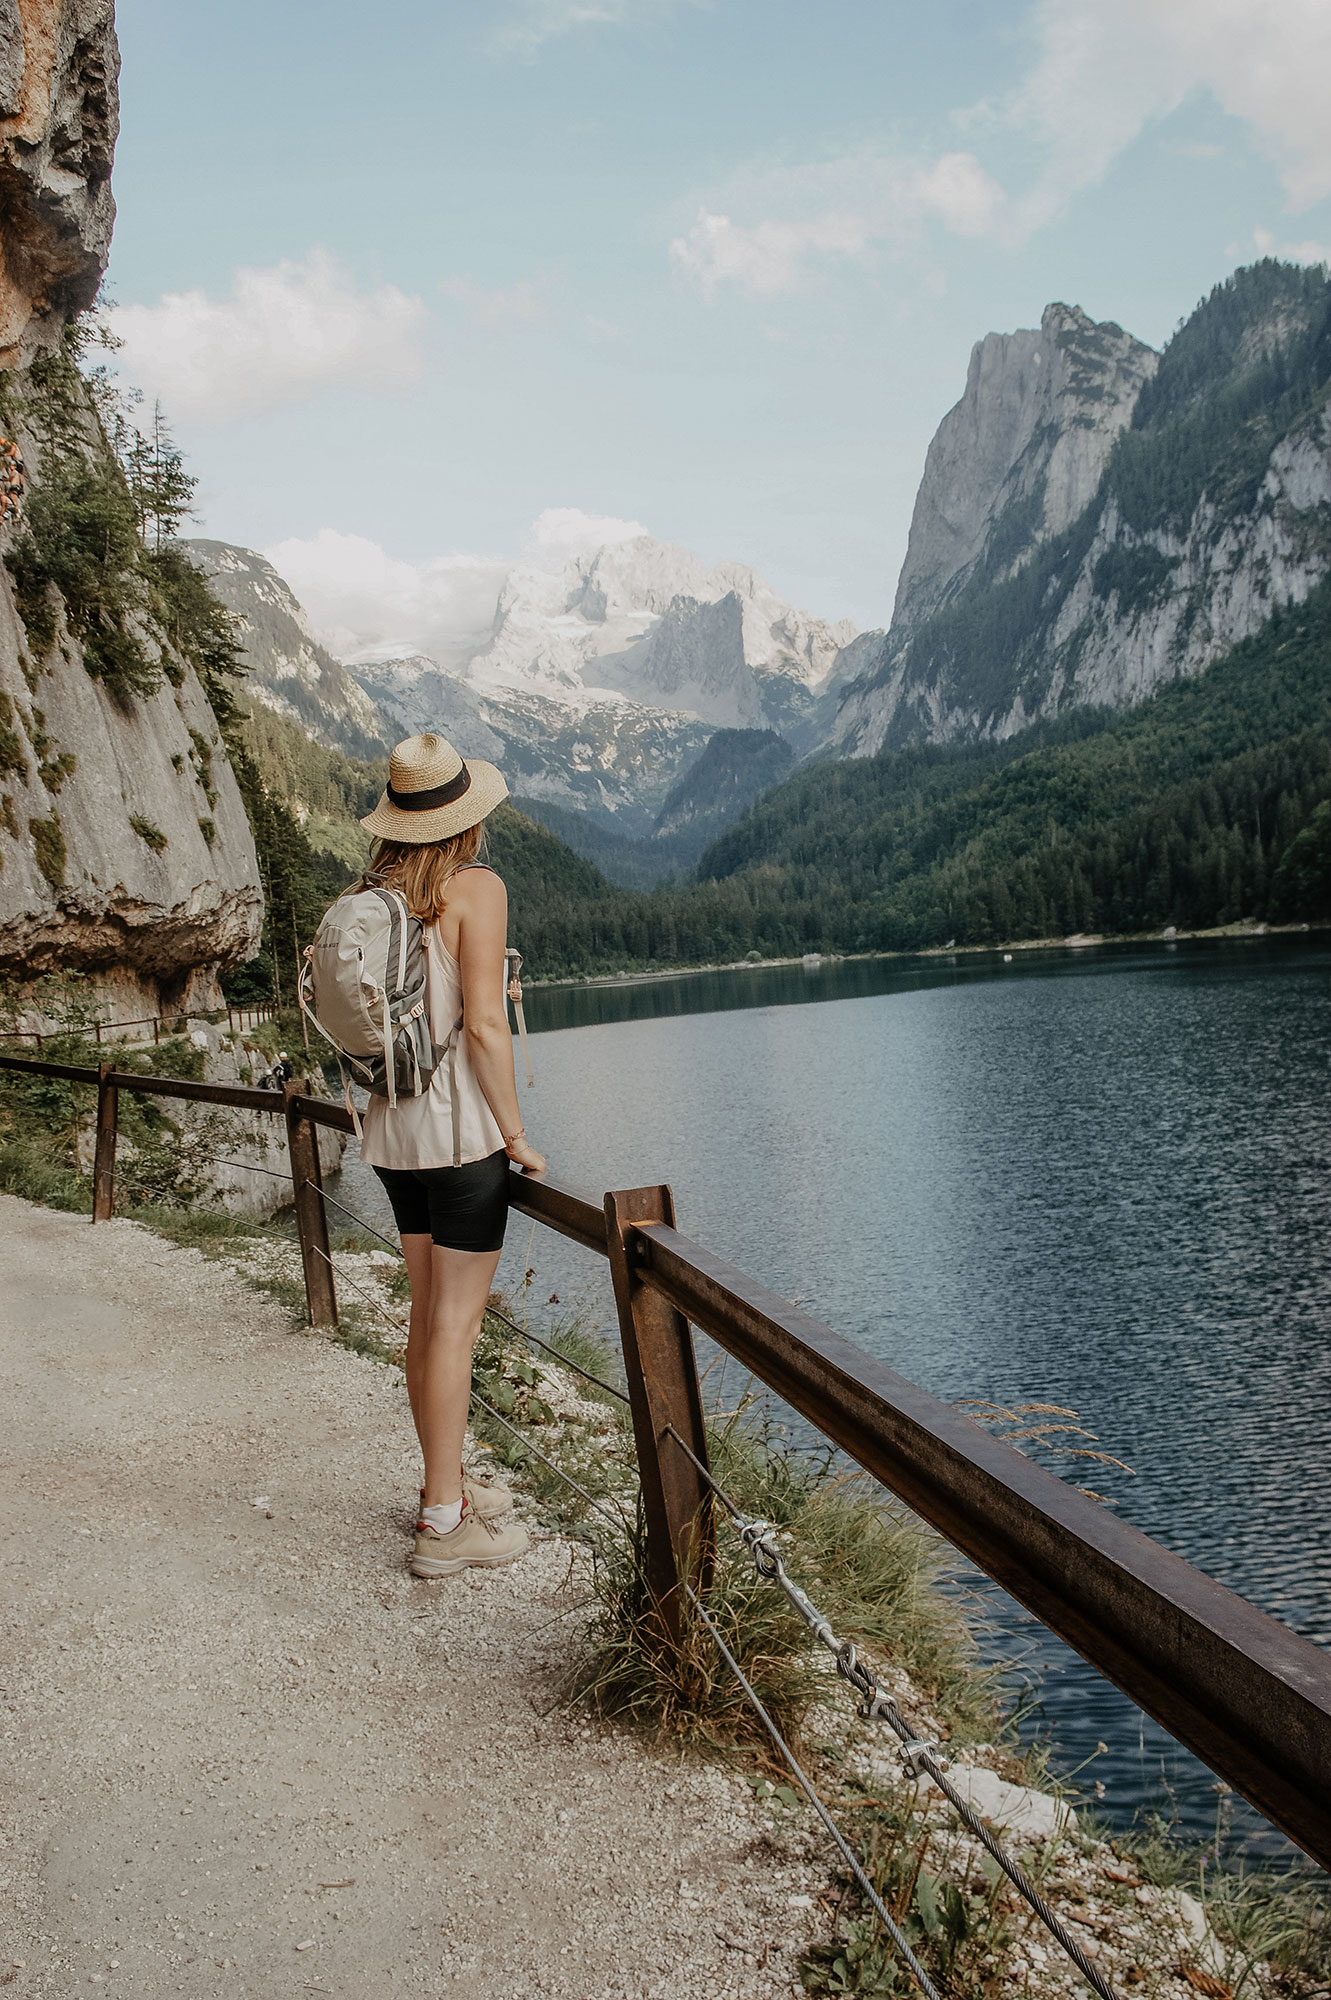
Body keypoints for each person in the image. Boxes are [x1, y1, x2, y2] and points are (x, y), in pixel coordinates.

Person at [356, 731, 546, 1579]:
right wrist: (512, 1134)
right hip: (459, 1135)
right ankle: (442, 1524)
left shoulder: (376, 889)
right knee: (454, 1327)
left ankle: (447, 1482)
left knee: (426, 1317)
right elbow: (482, 1025)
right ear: (466, 819)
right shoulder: (475, 887)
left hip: (391, 1134)